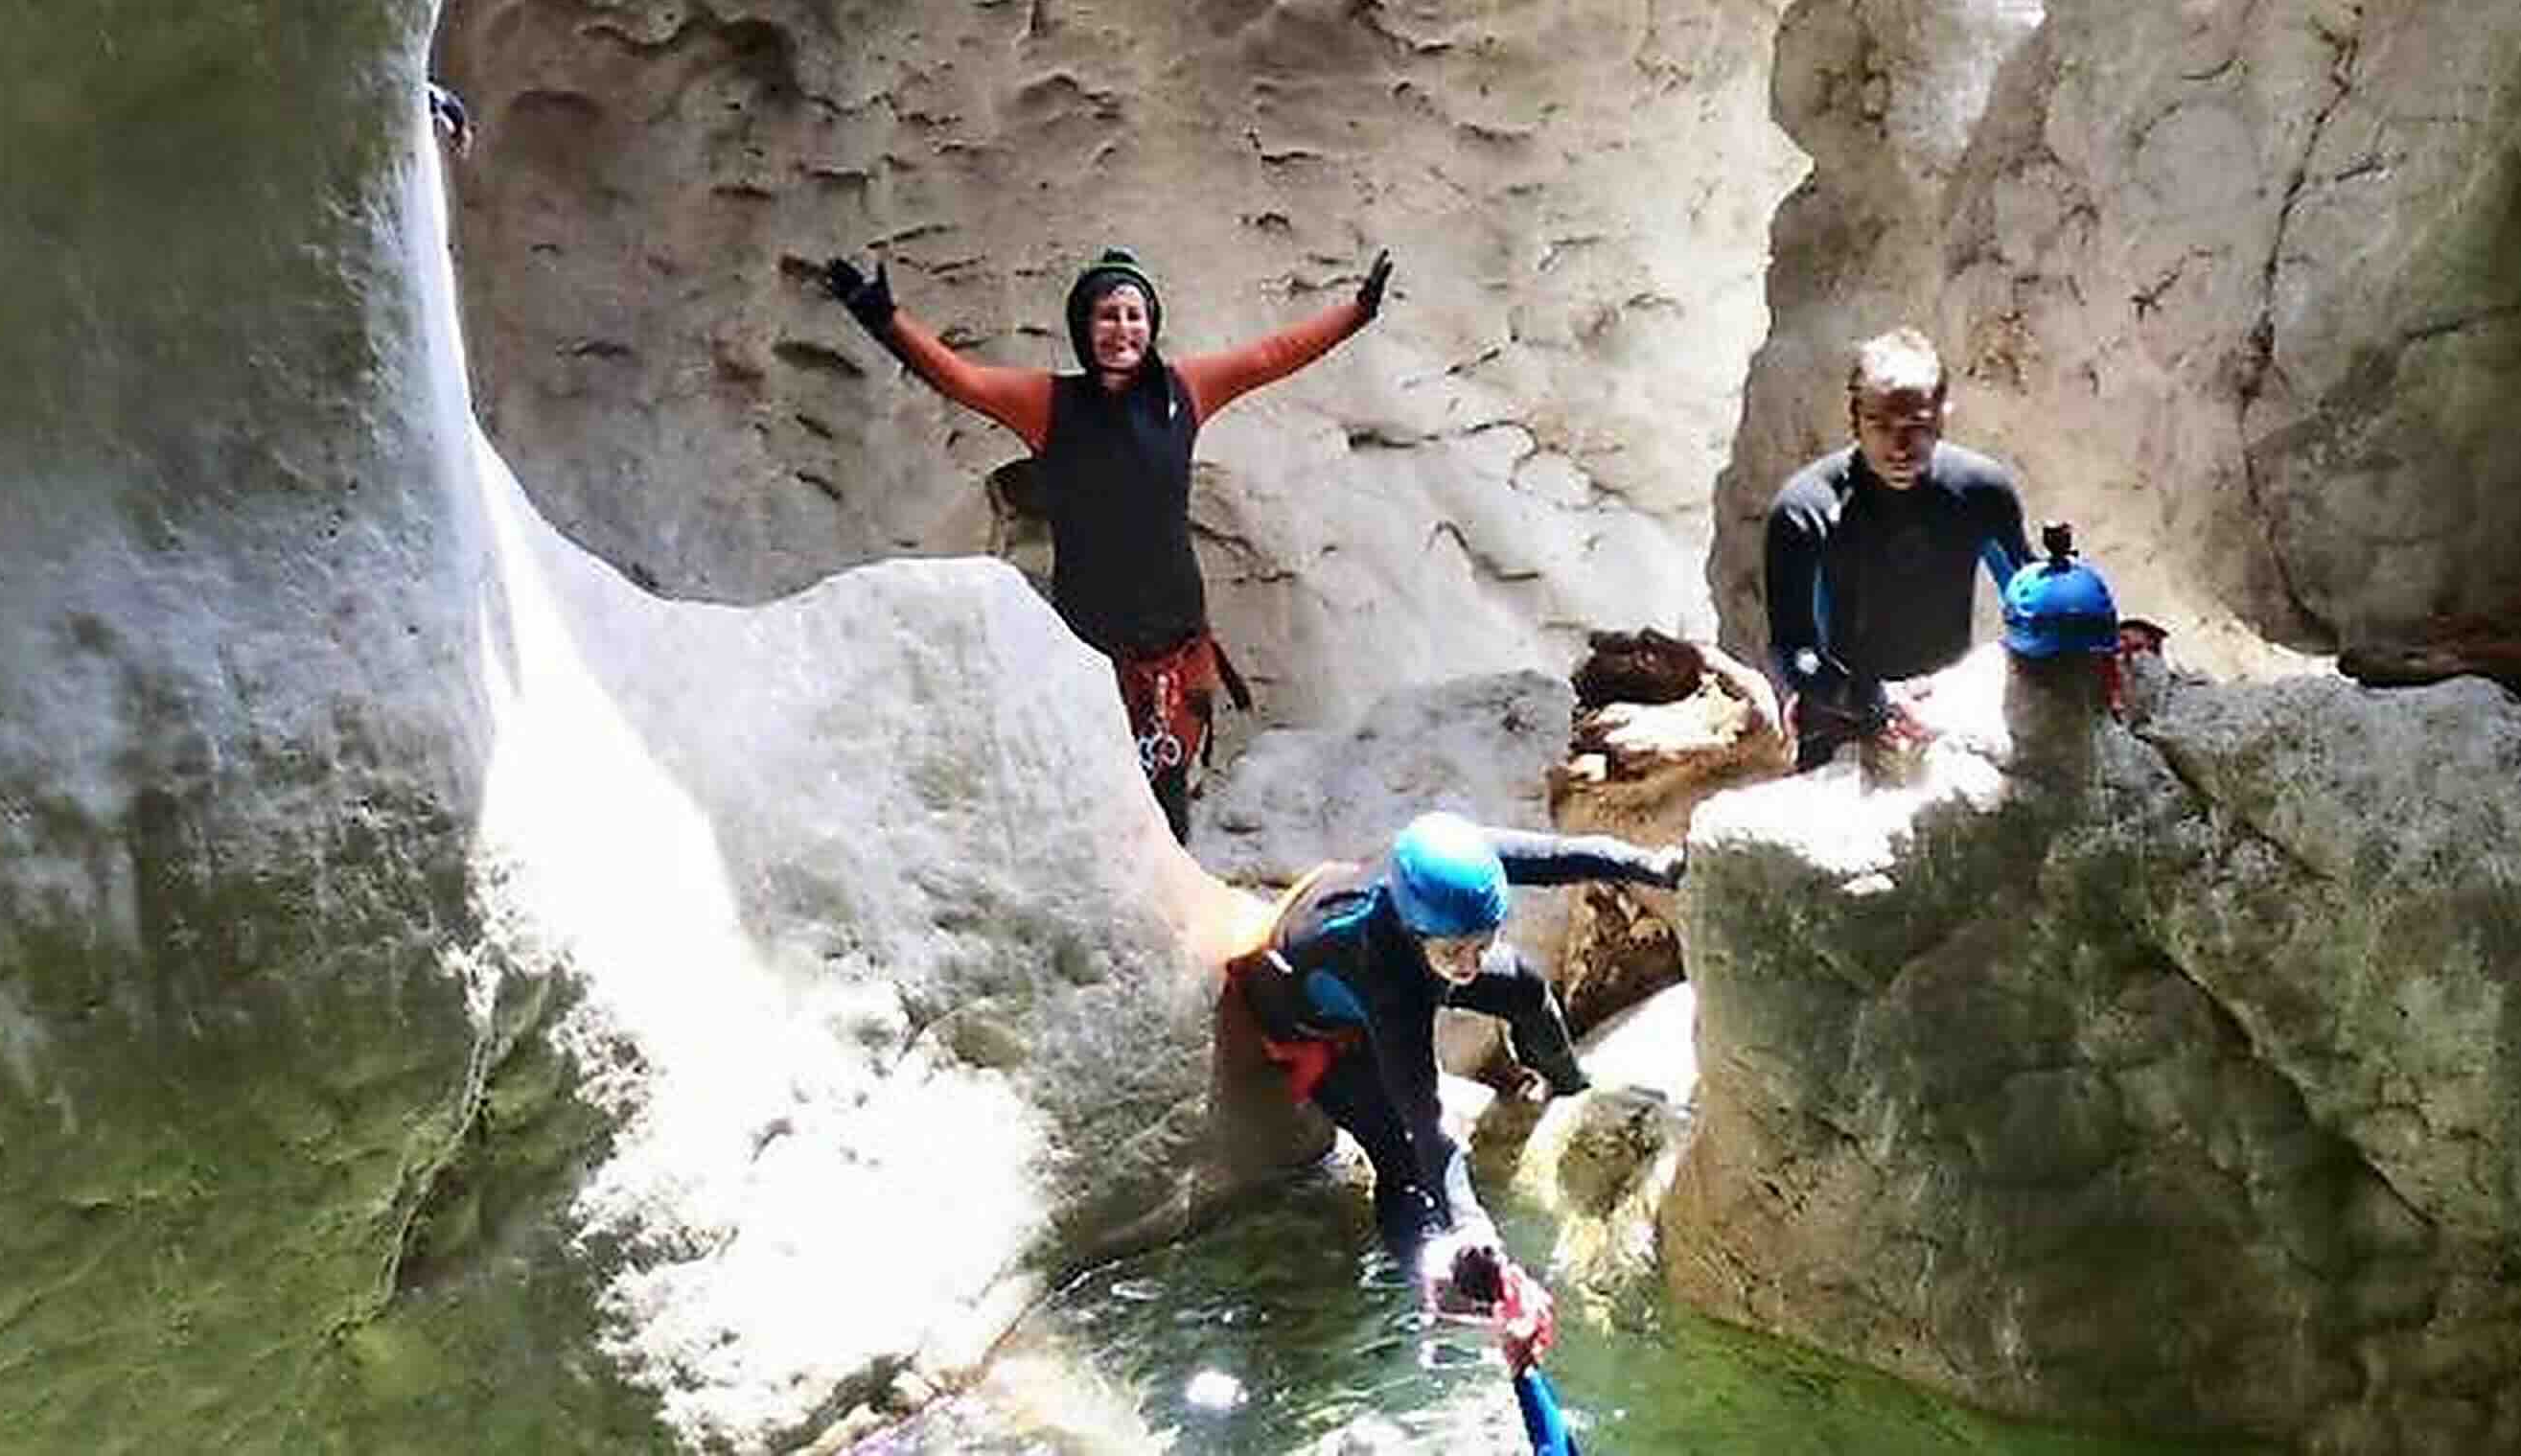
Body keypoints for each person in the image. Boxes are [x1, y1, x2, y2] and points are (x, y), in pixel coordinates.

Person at [823, 243, 1389, 838]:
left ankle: (1174, 918)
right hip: (1087, 656)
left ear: (1151, 324)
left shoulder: (1184, 391)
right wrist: (884, 319)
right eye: (1107, 316)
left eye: (1133, 315)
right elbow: (961, 380)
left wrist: (1356, 312)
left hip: (1175, 653)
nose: (1122, 329)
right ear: (1083, 326)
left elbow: (1271, 355)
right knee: (1092, 804)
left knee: (1168, 809)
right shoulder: (1048, 403)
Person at [1225, 812, 1680, 1267]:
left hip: (1393, 959)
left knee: (1523, 988)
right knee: (1400, 1160)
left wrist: (1654, 866)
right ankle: (1431, 1284)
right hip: (1313, 1023)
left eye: (1483, 943)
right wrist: (1470, 1224)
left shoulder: (1464, 865)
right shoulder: (1387, 979)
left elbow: (1565, 856)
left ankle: (1569, 1085)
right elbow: (1426, 1122)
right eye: (1455, 952)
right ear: (1413, 931)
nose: (1470, 965)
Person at [1761, 327, 2028, 770]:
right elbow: (1794, 651)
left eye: (1916, 427)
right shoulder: (1806, 507)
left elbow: (2032, 602)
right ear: (1854, 418)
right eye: (1880, 426)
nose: (1900, 447)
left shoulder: (1979, 490)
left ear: (1943, 416)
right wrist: (1870, 699)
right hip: (1839, 729)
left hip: (1941, 719)